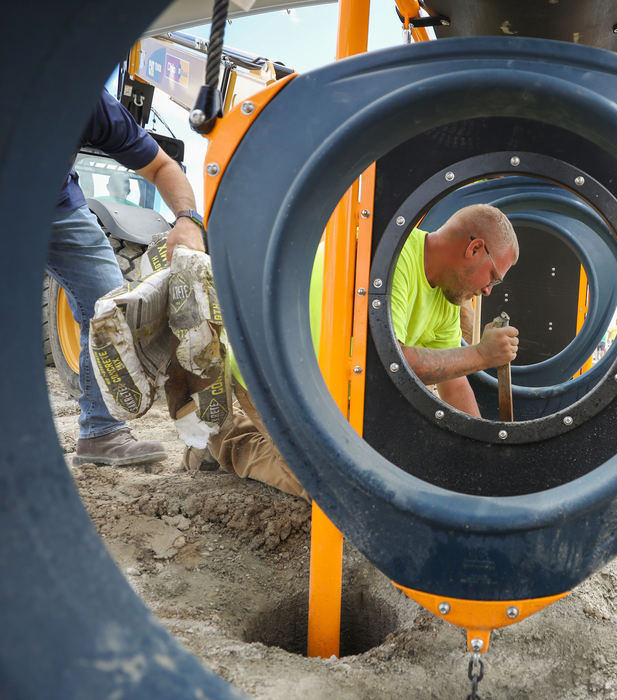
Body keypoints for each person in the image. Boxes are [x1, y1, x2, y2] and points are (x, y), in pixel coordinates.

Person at [197, 204, 520, 500]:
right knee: (333, 489)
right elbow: (383, 362)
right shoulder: (389, 256)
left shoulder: (447, 297)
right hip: (270, 375)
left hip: (331, 390)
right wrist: (481, 355)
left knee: (384, 472)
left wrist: (481, 455)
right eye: (493, 276)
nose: (488, 289)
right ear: (474, 247)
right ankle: (223, 440)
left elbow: (454, 383)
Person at [54, 90, 205, 467]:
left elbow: (161, 167)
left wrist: (187, 219)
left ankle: (101, 433)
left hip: (56, 207)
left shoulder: (84, 95)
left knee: (107, 305)